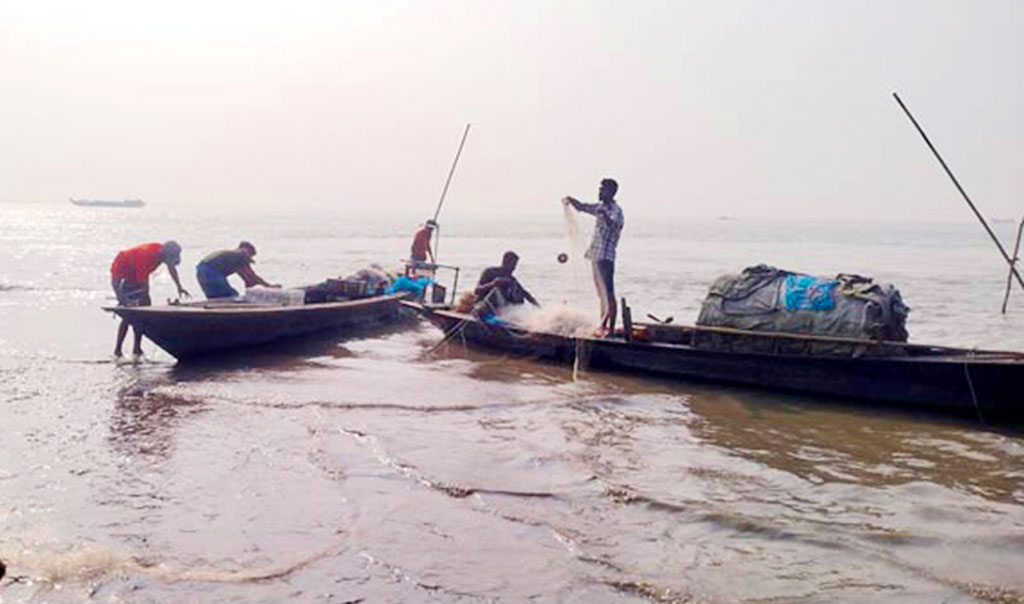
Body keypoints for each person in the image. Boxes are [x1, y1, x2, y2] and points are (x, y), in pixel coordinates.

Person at [563, 178, 625, 336]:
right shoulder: (600, 207)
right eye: (600, 188)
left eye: (603, 189)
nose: (600, 191)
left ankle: (609, 328)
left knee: (609, 292)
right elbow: (583, 207)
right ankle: (602, 324)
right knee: (601, 293)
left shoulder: (616, 210)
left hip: (606, 257)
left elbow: (614, 225)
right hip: (596, 256)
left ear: (612, 192)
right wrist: (571, 200)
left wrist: (604, 215)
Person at [110, 240, 190, 358]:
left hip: (137, 273)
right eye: (168, 260)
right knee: (128, 315)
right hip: (124, 270)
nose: (169, 263)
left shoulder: (163, 251)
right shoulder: (145, 257)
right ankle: (117, 350)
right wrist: (124, 300)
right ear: (164, 255)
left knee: (142, 314)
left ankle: (136, 348)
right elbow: (141, 286)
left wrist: (179, 287)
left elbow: (171, 268)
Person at [196, 241, 280, 299]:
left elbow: (248, 280)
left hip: (200, 271)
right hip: (211, 272)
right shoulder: (241, 255)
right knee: (230, 296)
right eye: (251, 255)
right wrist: (269, 287)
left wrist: (250, 291)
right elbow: (252, 277)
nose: (250, 258)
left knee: (216, 297)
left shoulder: (230, 257)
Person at [472, 251, 539, 316]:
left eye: (515, 265)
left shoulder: (511, 279)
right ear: (505, 262)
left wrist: (537, 306)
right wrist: (492, 284)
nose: (514, 268)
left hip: (500, 312)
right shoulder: (490, 272)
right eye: (513, 265)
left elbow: (525, 294)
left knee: (516, 294)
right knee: (496, 291)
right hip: (482, 306)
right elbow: (477, 290)